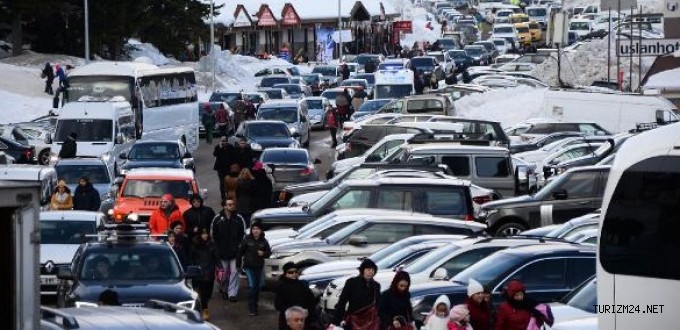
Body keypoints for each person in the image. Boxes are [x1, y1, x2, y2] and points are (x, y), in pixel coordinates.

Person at [211, 198, 246, 302]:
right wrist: (216, 249)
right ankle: (224, 290)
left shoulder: (239, 218)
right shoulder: (217, 219)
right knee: (223, 273)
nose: (232, 206)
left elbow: (243, 234)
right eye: (229, 204)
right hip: (222, 252)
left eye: (233, 204)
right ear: (224, 206)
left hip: (235, 252)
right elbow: (213, 235)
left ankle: (232, 294)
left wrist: (239, 247)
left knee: (234, 273)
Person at [333, 259, 381, 330]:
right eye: (368, 269)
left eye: (373, 270)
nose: (371, 272)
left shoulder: (376, 286)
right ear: (362, 270)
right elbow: (342, 302)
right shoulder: (352, 283)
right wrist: (337, 321)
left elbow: (378, 304)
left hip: (370, 322)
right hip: (353, 321)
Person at [238, 220, 271, 316]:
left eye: (257, 229)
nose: (255, 231)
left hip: (259, 267)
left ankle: (255, 304)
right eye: (253, 229)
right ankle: (252, 308)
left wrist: (263, 254)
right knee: (252, 286)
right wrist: (238, 264)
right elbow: (240, 252)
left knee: (258, 286)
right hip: (249, 266)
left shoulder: (264, 241)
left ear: (261, 230)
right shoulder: (247, 240)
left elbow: (268, 253)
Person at [275, 262, 318, 330]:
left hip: (304, 318)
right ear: (285, 274)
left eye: (296, 271)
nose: (294, 274)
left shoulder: (302, 284)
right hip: (289, 319)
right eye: (291, 272)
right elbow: (278, 305)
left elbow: (310, 300)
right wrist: (292, 312)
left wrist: (308, 310)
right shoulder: (281, 286)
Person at [190, 229, 220, 320]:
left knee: (208, 294)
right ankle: (204, 310)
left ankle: (203, 306)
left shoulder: (212, 245)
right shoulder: (195, 245)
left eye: (206, 234)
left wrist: (220, 267)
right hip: (198, 273)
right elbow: (191, 258)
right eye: (203, 234)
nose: (205, 235)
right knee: (201, 294)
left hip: (209, 272)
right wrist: (194, 267)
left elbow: (216, 257)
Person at [213, 136, 236, 201]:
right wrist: (220, 148)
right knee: (222, 183)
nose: (224, 142)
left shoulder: (231, 147)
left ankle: (229, 195)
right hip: (221, 168)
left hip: (229, 168)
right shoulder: (218, 147)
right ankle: (223, 197)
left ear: (227, 141)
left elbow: (234, 155)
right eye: (222, 141)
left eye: (225, 141)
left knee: (230, 182)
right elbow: (215, 154)